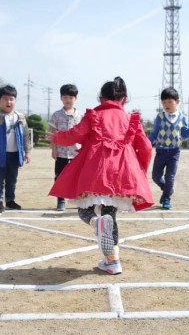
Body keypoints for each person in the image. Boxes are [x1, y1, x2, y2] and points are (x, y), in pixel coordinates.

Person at [48, 77, 153, 275]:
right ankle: (113, 261)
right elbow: (146, 147)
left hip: (95, 171)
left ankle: (95, 223)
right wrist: (141, 170)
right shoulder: (131, 119)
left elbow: (75, 134)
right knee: (110, 214)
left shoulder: (93, 115)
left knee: (84, 209)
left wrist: (57, 137)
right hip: (122, 172)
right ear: (125, 99)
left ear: (101, 97)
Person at [148, 87, 189, 210]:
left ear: (177, 102)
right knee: (155, 176)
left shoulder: (182, 117)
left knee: (170, 177)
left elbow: (185, 134)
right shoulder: (160, 117)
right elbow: (154, 134)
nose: (166, 105)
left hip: (174, 152)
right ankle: (168, 189)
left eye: (169, 102)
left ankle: (166, 198)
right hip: (161, 151)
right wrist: (147, 143)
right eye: (164, 102)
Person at [0, 84, 32, 213]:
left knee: (12, 179)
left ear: (15, 101)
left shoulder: (20, 117)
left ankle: (10, 200)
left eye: (11, 99)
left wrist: (27, 152)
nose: (8, 102)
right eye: (5, 99)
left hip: (15, 154)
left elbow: (26, 135)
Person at [48, 84, 83, 211]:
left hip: (76, 153)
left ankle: (79, 201)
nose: (68, 100)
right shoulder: (56, 115)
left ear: (76, 99)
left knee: (77, 177)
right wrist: (53, 149)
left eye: (71, 97)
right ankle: (61, 200)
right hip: (61, 152)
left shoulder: (80, 115)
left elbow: (84, 134)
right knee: (59, 176)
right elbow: (52, 133)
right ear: (61, 98)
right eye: (65, 97)